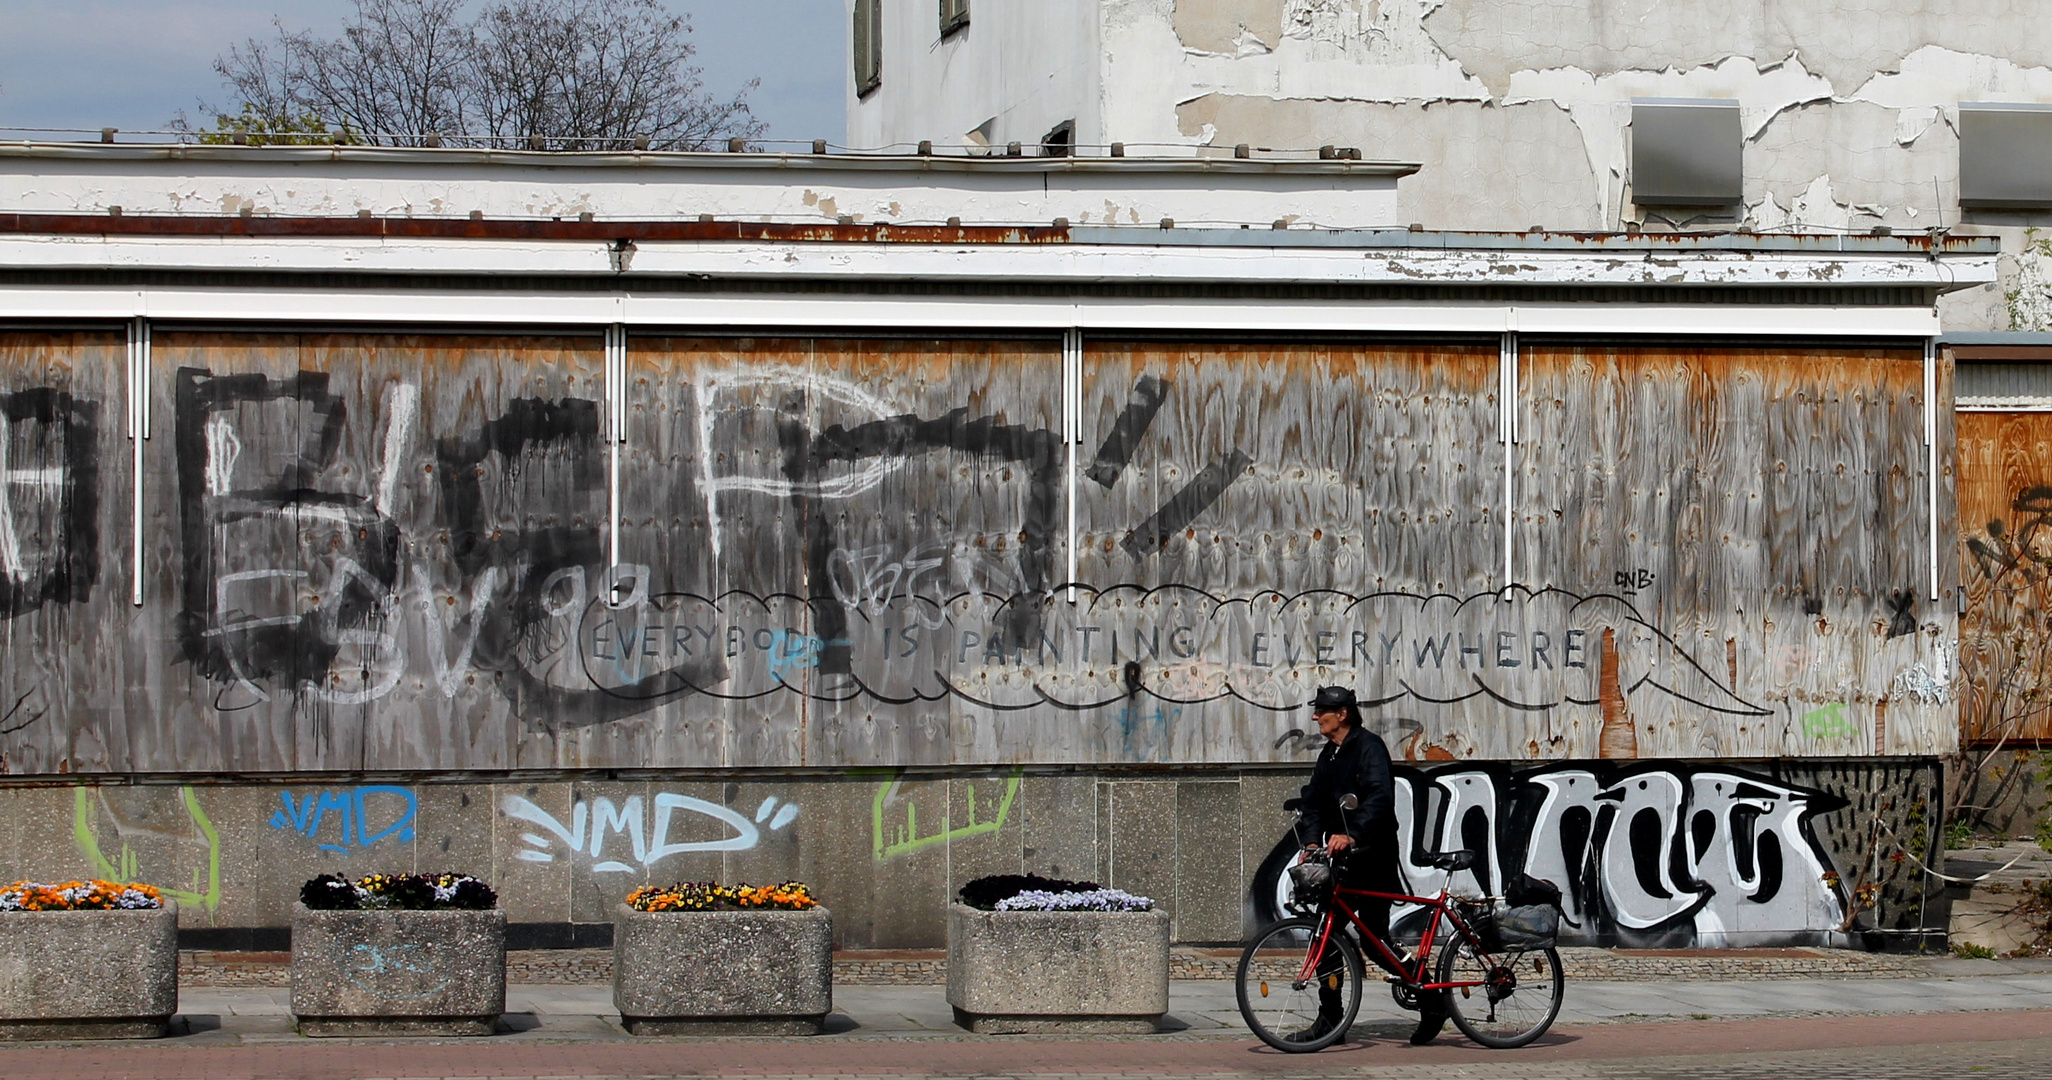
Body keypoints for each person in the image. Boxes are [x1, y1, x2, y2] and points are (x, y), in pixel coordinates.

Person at [1295, 685, 1446, 1046]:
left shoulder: (1369, 748)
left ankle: (1431, 999)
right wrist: (1313, 841)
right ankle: (1331, 1020)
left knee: (1374, 940)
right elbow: (1313, 801)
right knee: (1327, 936)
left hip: (1372, 856)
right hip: (1341, 861)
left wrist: (1353, 834)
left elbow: (1380, 797)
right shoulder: (1330, 755)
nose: (1316, 717)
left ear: (1342, 713)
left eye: (1321, 711)